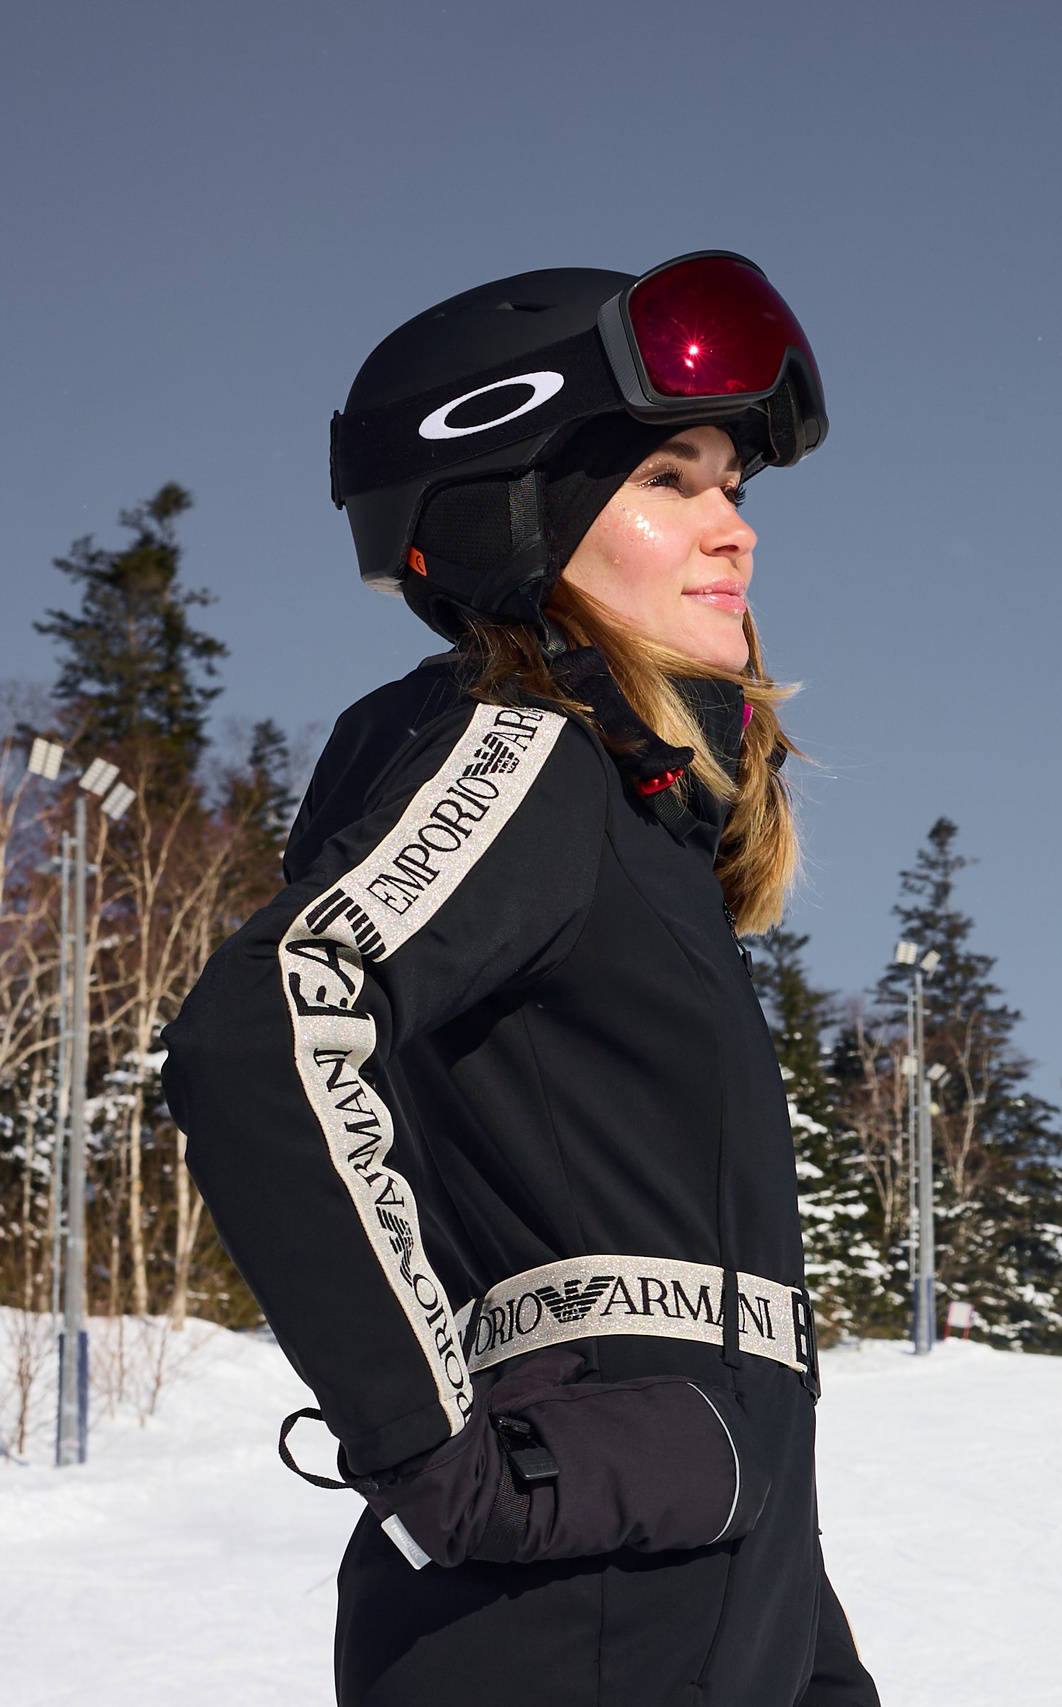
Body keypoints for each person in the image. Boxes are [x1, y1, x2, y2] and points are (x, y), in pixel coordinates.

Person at [161, 253, 878, 1706]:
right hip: (560, 1614)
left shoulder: (640, 835)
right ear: (520, 515)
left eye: (731, 481)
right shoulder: (533, 753)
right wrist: (438, 1457)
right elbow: (267, 1025)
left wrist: (812, 1660)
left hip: (700, 1595)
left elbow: (709, 1370)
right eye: (669, 480)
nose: (731, 526)